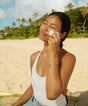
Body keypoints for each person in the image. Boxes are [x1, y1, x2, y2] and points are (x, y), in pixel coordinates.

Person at [12, 12, 76, 106]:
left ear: (62, 35)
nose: (45, 28)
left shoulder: (68, 58)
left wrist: (53, 54)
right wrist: (18, 103)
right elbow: (34, 86)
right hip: (35, 102)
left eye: (52, 27)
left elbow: (51, 95)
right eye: (45, 23)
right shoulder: (34, 56)